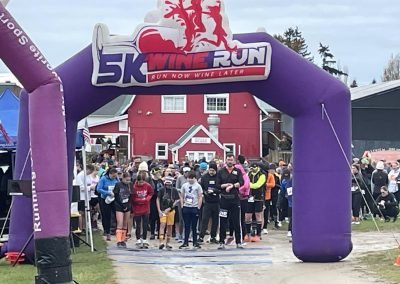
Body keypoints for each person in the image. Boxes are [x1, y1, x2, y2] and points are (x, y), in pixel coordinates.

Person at [217, 153, 244, 249]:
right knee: (223, 221)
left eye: (231, 160)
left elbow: (241, 182)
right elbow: (217, 185)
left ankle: (238, 242)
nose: (230, 161)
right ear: (226, 160)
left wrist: (232, 185)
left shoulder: (238, 171)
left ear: (234, 160)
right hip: (224, 199)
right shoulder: (221, 172)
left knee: (236, 221)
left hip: (235, 199)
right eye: (228, 160)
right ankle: (221, 241)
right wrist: (224, 185)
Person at [179, 172, 203, 249]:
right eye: (189, 178)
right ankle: (185, 242)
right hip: (186, 207)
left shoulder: (198, 186)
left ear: (195, 178)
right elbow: (182, 196)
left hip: (194, 207)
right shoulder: (184, 185)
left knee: (194, 226)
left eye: (192, 178)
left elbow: (200, 196)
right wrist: (182, 205)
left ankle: (195, 242)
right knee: (186, 225)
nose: (190, 179)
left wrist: (198, 207)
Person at [199, 162, 220, 244]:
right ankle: (201, 236)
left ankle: (213, 236)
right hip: (207, 202)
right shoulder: (204, 177)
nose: (211, 172)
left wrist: (214, 191)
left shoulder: (219, 177)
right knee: (205, 220)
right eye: (210, 170)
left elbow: (220, 188)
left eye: (213, 171)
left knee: (215, 220)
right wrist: (205, 192)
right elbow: (201, 188)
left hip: (216, 201)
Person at [156, 176, 180, 249]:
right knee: (162, 225)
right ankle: (161, 242)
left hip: (171, 211)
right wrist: (159, 210)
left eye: (169, 184)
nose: (168, 186)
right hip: (163, 210)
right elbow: (158, 199)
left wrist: (170, 208)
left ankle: (168, 242)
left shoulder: (174, 190)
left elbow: (177, 200)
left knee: (169, 226)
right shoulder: (161, 190)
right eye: (167, 184)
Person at [244, 163, 266, 242]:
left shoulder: (262, 175)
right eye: (251, 168)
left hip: (258, 197)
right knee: (247, 216)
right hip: (249, 197)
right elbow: (244, 181)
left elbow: (257, 185)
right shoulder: (248, 174)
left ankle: (258, 234)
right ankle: (248, 233)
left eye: (254, 167)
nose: (252, 169)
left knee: (258, 215)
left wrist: (248, 184)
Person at [131, 174, 154, 248]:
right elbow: (133, 198)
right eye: (140, 182)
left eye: (142, 182)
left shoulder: (147, 186)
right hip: (137, 208)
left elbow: (151, 193)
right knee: (138, 224)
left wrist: (147, 199)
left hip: (146, 208)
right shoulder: (134, 187)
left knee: (145, 224)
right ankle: (138, 238)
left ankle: (144, 238)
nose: (141, 184)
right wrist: (139, 200)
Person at [97, 167, 119, 241]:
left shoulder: (116, 179)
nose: (114, 178)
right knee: (106, 215)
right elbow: (99, 189)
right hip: (105, 199)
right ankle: (107, 231)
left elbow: (119, 185)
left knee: (116, 214)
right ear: (109, 174)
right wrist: (107, 193)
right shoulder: (103, 179)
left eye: (115, 176)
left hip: (114, 199)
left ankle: (116, 230)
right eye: (113, 176)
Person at [113, 172, 132, 248]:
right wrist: (122, 205)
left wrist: (128, 206)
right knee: (120, 222)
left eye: (129, 180)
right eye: (126, 180)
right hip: (119, 205)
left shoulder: (130, 185)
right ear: (123, 178)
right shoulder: (118, 185)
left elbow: (131, 196)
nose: (128, 182)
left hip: (127, 205)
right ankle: (119, 240)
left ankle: (123, 240)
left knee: (125, 223)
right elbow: (116, 196)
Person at [76, 164, 95, 231]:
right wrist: (90, 187)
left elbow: (89, 183)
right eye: (90, 171)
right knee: (81, 213)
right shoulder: (80, 175)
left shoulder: (88, 176)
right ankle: (80, 228)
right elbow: (80, 187)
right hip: (82, 197)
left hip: (87, 197)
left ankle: (84, 227)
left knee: (86, 213)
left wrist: (92, 186)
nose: (90, 173)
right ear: (87, 169)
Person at [235, 162, 250, 243]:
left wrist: (237, 189)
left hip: (243, 198)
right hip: (236, 198)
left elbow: (246, 186)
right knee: (236, 218)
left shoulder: (245, 177)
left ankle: (244, 234)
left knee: (242, 218)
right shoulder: (235, 176)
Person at [150, 167, 164, 240]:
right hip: (152, 201)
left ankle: (159, 232)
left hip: (160, 201)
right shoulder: (151, 181)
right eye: (158, 173)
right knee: (153, 217)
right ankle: (152, 233)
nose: (160, 174)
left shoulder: (161, 181)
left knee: (160, 217)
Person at [280, 169, 293, 239]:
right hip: (290, 202)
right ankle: (290, 230)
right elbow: (285, 192)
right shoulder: (287, 181)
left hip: (296, 202)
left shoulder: (294, 180)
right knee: (291, 217)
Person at [263, 163, 276, 234]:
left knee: (265, 212)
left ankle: (264, 227)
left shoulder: (270, 176)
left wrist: (265, 185)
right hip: (259, 196)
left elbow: (273, 184)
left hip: (267, 196)